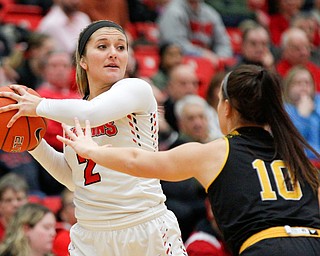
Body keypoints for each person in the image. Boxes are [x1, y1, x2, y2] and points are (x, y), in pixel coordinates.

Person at [57, 64, 320, 256]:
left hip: (266, 248)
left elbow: (138, 160)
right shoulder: (297, 156)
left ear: (226, 107)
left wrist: (92, 150)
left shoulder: (217, 151)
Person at [0, 20, 186, 255]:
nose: (113, 54)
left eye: (121, 47)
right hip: (91, 234)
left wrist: (38, 106)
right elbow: (74, 180)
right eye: (102, 46)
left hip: (142, 226)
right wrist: (34, 143)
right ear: (83, 60)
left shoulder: (137, 89)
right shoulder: (72, 113)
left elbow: (93, 113)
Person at [158, 0, 233, 68]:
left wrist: (221, 57)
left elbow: (224, 42)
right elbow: (173, 43)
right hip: (179, 64)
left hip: (208, 65)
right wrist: (201, 54)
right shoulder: (173, 11)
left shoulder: (211, 14)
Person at [282, 65, 320, 160]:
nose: (303, 87)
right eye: (298, 83)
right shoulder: (283, 109)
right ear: (288, 87)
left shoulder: (318, 102)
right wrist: (303, 116)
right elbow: (292, 144)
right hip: (301, 163)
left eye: (307, 83)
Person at [0, 173, 29, 242]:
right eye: (8, 200)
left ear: (27, 201)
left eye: (19, 199)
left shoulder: (35, 228)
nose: (15, 204)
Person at [52, 188, 76, 256]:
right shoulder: (63, 238)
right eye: (73, 204)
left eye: (81, 202)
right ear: (63, 213)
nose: (79, 207)